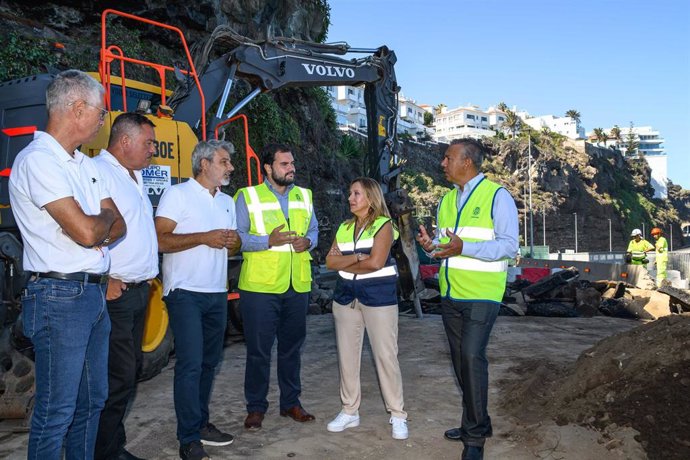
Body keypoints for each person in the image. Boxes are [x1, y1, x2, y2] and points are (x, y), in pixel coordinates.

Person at [8, 69, 126, 459]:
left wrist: (98, 223)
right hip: (59, 297)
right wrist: (98, 223)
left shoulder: (85, 165)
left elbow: (115, 225)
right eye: (101, 111)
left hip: (91, 293)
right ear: (78, 109)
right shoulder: (38, 161)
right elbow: (89, 232)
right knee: (57, 410)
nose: (102, 120)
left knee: (92, 402)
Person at [416, 138, 518, 460]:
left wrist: (465, 248)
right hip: (451, 292)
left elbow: (507, 246)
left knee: (472, 358)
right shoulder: (446, 200)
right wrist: (430, 246)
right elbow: (447, 248)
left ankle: (474, 439)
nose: (443, 163)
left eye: (448, 158)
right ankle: (475, 421)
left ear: (467, 162)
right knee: (462, 362)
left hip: (482, 294)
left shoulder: (498, 197)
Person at [155, 140, 241, 460]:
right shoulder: (177, 195)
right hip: (184, 292)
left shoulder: (227, 201)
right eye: (224, 161)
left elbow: (231, 244)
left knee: (208, 363)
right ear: (204, 164)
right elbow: (161, 239)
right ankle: (188, 438)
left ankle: (201, 423)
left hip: (216, 292)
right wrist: (205, 238)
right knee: (190, 365)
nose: (230, 167)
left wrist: (234, 242)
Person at [234, 143, 318, 430]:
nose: (291, 168)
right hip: (260, 288)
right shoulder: (247, 196)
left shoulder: (305, 196)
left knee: (292, 349)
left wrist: (309, 242)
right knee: (259, 351)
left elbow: (314, 230)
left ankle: (291, 403)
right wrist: (268, 241)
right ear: (268, 168)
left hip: (297, 284)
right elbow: (236, 238)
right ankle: (256, 407)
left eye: (292, 163)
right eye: (284, 164)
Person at [93, 113, 159, 460]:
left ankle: (111, 446)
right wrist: (105, 279)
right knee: (115, 378)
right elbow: (84, 232)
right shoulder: (99, 173)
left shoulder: (134, 177)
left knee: (126, 373)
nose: (153, 150)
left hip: (137, 291)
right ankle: (104, 452)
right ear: (124, 141)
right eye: (148, 143)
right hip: (115, 295)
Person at [325, 177, 408, 440]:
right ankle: (350, 411)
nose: (350, 198)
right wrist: (354, 258)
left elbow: (375, 263)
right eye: (350, 193)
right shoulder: (344, 227)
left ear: (371, 198)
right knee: (347, 357)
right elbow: (329, 261)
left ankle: (397, 415)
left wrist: (344, 263)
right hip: (345, 298)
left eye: (356, 194)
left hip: (378, 298)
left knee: (386, 356)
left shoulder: (384, 226)